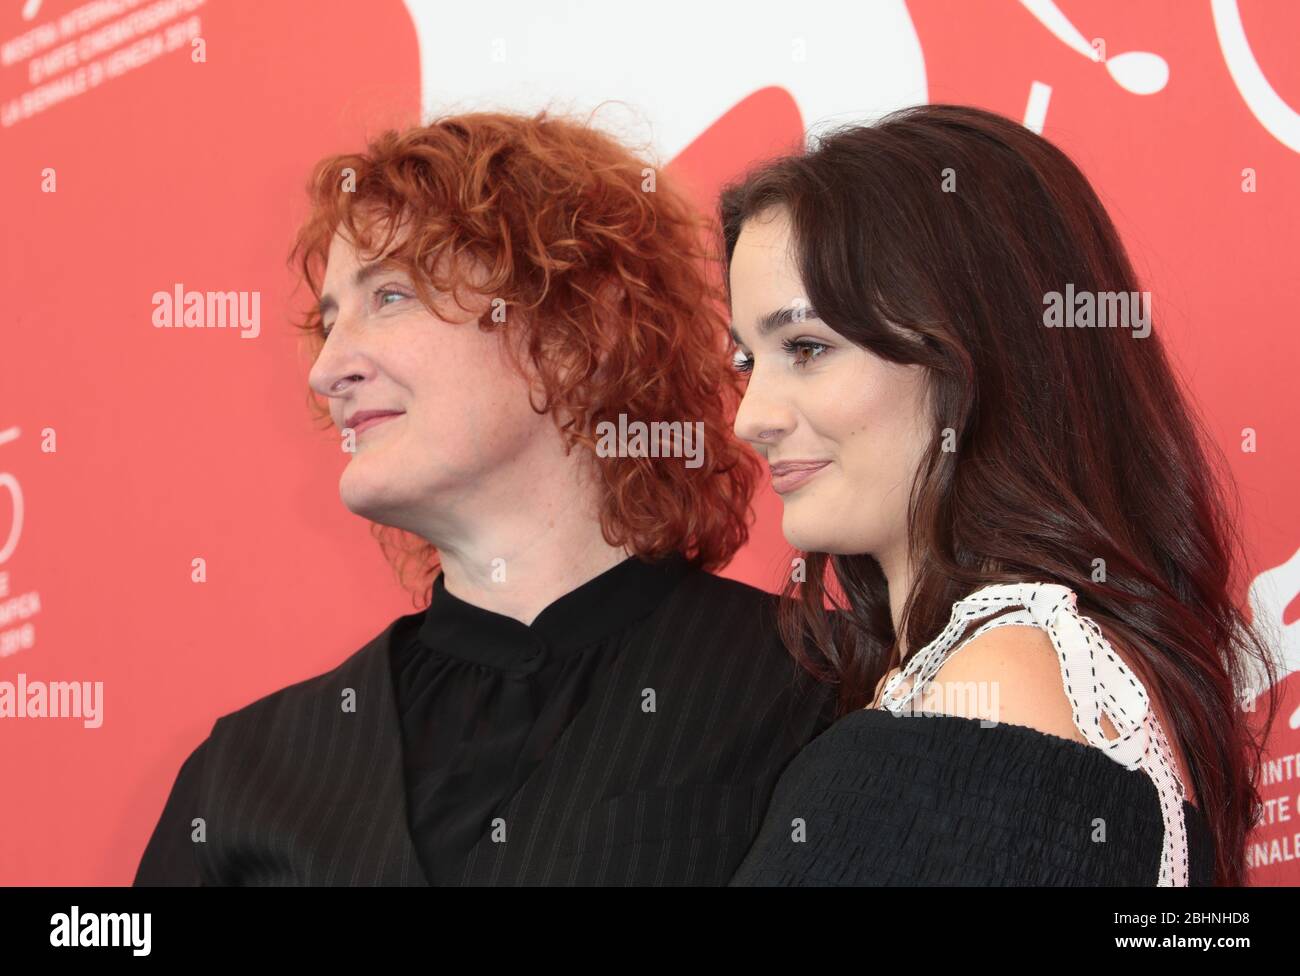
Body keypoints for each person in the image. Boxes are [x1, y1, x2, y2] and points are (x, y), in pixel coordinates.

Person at [133, 109, 834, 886]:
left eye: (390, 295)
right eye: (329, 323)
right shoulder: (243, 773)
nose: (326, 370)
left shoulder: (813, 685)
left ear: (575, 334)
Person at [720, 104, 1281, 886]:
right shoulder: (1035, 683)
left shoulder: (1010, 688)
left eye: (807, 348)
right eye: (748, 360)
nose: (752, 420)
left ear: (976, 350)